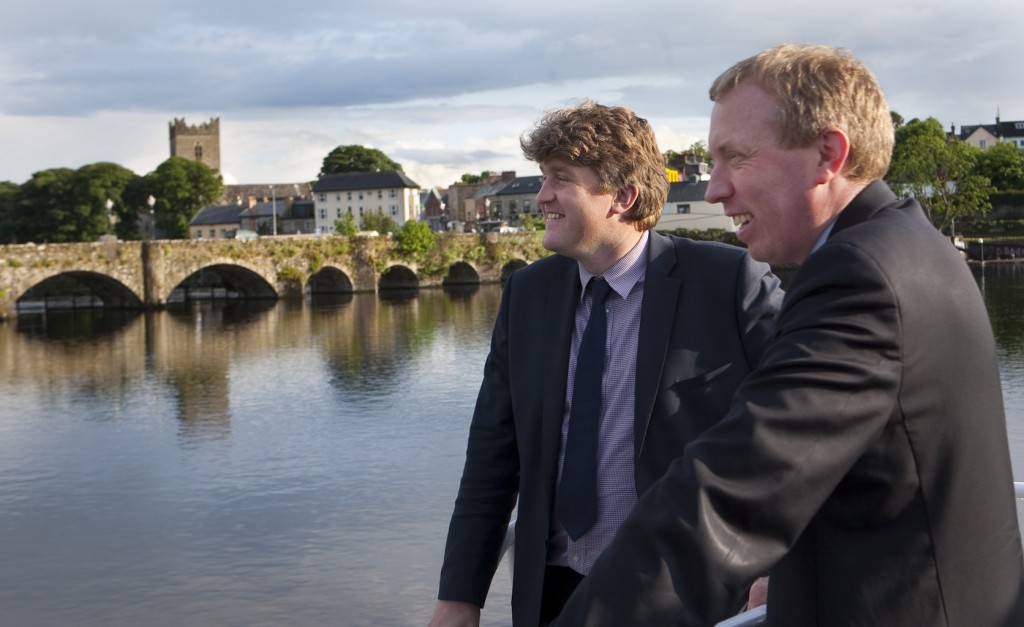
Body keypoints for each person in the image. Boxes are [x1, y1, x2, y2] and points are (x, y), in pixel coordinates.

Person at [552, 44, 1024, 626]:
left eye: (736, 159)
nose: (713, 190)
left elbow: (728, 495)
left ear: (828, 153)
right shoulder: (911, 245)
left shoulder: (860, 279)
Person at [428, 100, 784, 626]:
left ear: (622, 196)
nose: (541, 195)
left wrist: (781, 560)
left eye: (560, 178)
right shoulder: (528, 292)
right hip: (553, 595)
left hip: (681, 595)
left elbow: (799, 433)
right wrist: (460, 598)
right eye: (541, 177)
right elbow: (491, 458)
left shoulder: (730, 281)